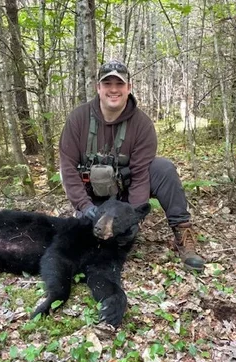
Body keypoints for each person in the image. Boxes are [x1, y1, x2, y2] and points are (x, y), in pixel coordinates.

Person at [59, 60, 204, 271]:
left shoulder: (142, 124)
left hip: (125, 194)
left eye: (119, 84)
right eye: (107, 83)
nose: (114, 89)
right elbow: (68, 168)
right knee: (90, 246)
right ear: (98, 88)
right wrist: (84, 206)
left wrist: (133, 216)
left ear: (129, 87)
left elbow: (141, 174)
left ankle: (183, 234)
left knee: (163, 168)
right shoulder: (78, 119)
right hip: (93, 199)